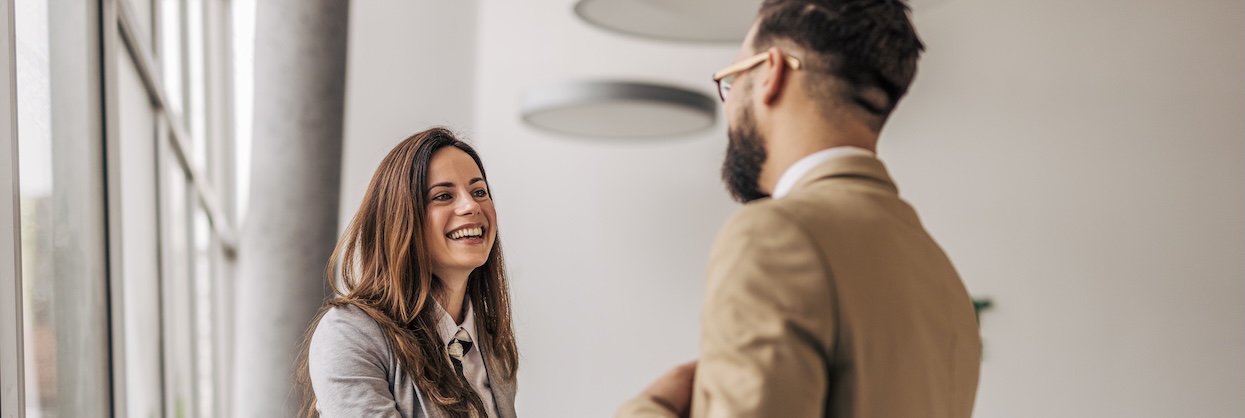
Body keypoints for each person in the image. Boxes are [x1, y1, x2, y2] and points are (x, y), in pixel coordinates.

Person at [616, 0, 981, 417]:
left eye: (732, 82)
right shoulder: (939, 271)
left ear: (771, 72)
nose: (729, 106)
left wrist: (650, 406)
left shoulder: (775, 235)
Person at [297, 127, 518, 418]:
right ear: (400, 218)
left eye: (479, 191)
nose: (471, 206)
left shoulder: (490, 345)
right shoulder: (349, 334)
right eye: (443, 196)